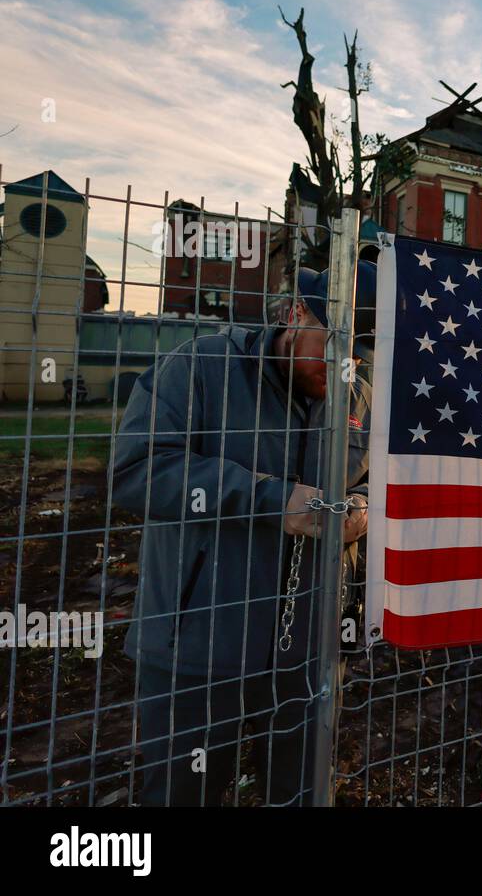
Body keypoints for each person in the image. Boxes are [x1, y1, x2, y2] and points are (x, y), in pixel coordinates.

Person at [113, 261, 376, 806]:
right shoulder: (199, 368)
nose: (346, 363)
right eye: (338, 340)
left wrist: (360, 511)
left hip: (310, 650)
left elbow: (374, 482)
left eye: (363, 350)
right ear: (298, 311)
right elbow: (135, 472)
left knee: (302, 795)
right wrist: (270, 501)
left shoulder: (360, 398)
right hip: (199, 649)